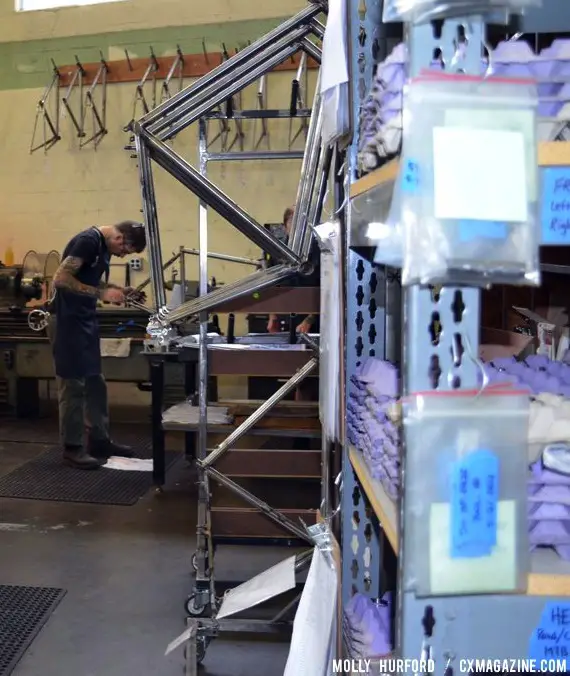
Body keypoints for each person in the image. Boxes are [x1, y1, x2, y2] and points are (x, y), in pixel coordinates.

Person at [50, 221, 147, 470]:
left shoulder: (102, 248)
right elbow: (61, 279)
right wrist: (101, 295)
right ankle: (72, 448)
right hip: (67, 319)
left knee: (95, 382)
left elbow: (90, 281)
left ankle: (100, 441)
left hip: (84, 319)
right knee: (73, 385)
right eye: (125, 250)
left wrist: (119, 291)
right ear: (119, 238)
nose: (123, 255)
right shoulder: (88, 241)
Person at [267, 206, 320, 335]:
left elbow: (325, 289)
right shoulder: (277, 251)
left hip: (311, 320)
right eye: (291, 221)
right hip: (285, 317)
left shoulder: (319, 251)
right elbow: (272, 285)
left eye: (300, 221)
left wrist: (309, 320)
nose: (296, 226)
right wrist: (272, 316)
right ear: (285, 227)